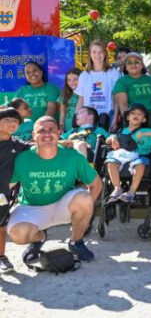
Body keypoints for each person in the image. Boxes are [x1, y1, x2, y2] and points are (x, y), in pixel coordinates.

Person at [8, 116, 102, 263]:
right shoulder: (22, 158)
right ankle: (39, 238)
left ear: (59, 133)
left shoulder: (73, 156)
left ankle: (76, 242)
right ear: (34, 135)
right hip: (32, 208)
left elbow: (96, 184)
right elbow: (7, 185)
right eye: (41, 131)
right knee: (18, 235)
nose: (46, 134)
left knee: (85, 198)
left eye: (51, 130)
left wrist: (87, 212)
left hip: (63, 206)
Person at [105, 104, 151, 203]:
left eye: (139, 114)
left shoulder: (147, 130)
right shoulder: (121, 131)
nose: (136, 115)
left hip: (140, 157)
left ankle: (131, 192)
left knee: (140, 163)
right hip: (122, 158)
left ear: (144, 120)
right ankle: (117, 189)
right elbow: (107, 140)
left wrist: (145, 134)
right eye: (133, 113)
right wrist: (113, 138)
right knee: (110, 162)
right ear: (128, 117)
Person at [0, 108, 31, 273]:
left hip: (2, 195)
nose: (12, 123)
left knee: (0, 226)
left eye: (15, 121)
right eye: (7, 120)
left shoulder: (17, 144)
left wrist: (63, 143)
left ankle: (1, 257)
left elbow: (35, 147)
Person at [75, 40, 120, 132]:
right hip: (88, 118)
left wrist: (115, 119)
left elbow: (117, 99)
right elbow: (81, 100)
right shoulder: (84, 75)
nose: (97, 55)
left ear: (105, 54)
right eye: (94, 52)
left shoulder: (114, 73)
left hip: (108, 116)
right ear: (90, 54)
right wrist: (75, 118)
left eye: (100, 52)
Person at [59, 67, 82, 133]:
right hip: (67, 131)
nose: (72, 82)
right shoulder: (65, 95)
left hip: (81, 131)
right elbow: (62, 115)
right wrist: (62, 131)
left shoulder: (85, 96)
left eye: (75, 79)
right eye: (69, 80)